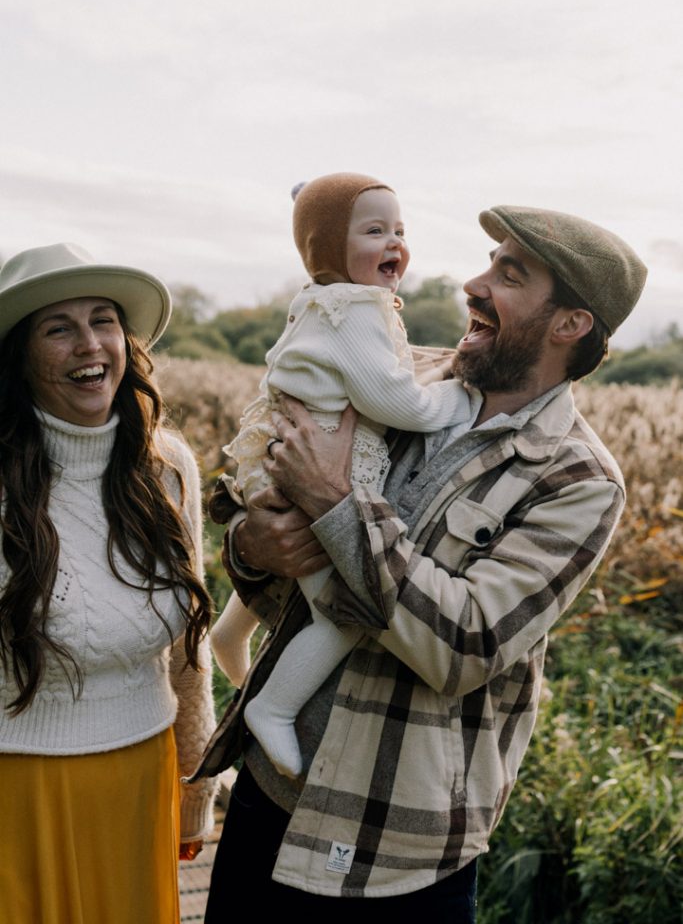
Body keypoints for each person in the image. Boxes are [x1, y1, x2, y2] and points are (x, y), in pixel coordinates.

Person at [194, 204, 647, 922]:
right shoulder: (397, 382)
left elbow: (464, 644)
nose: (473, 283)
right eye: (488, 261)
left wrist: (338, 503)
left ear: (568, 324)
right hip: (272, 796)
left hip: (393, 848)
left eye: (509, 274)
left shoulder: (576, 480)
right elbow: (261, 504)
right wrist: (250, 547)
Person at [210, 172, 472, 779]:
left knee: (295, 564)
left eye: (401, 230)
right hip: (321, 463)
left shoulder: (325, 302)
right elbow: (396, 401)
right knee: (339, 611)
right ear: (327, 249)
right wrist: (458, 401)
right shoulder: (353, 312)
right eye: (374, 230)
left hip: (282, 457)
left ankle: (229, 633)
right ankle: (272, 707)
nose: (395, 243)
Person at [0, 243, 217, 924]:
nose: (90, 345)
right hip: (17, 784)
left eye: (103, 321)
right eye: (57, 327)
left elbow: (190, 646)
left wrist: (197, 785)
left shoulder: (168, 467)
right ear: (19, 357)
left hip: (141, 775)